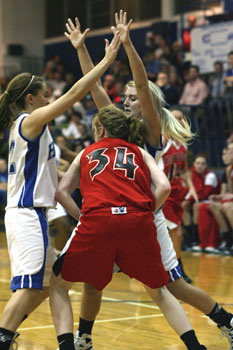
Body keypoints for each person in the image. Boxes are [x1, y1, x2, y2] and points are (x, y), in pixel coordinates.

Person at [65, 11, 233, 350]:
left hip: (144, 217)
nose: (125, 103)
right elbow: (94, 86)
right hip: (112, 214)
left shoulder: (150, 132)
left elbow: (142, 84)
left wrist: (128, 45)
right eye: (123, 98)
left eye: (130, 99)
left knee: (173, 286)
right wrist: (82, 50)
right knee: (93, 283)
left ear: (146, 104)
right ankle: (84, 336)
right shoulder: (114, 124)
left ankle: (226, 321)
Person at [0, 29, 121, 350]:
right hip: (28, 215)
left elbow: (58, 173)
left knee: (54, 285)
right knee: (28, 289)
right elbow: (73, 96)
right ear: (30, 98)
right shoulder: (30, 120)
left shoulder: (33, 131)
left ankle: (67, 344)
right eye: (44, 95)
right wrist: (106, 61)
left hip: (31, 214)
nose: (49, 99)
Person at [50, 106, 207, 350]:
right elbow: (164, 187)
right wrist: (145, 210)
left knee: (59, 285)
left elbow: (61, 193)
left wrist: (82, 216)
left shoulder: (86, 152)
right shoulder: (139, 151)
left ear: (100, 129)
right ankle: (195, 346)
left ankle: (72, 345)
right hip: (138, 222)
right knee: (160, 291)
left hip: (99, 221)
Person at [158, 108, 198, 282]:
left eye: (181, 118)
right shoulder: (162, 140)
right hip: (163, 193)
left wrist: (192, 188)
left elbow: (185, 170)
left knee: (168, 233)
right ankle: (178, 269)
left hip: (177, 193)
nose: (179, 121)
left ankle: (168, 268)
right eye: (175, 118)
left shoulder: (183, 143)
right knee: (177, 232)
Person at [182, 153, 221, 250]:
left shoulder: (210, 176)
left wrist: (189, 199)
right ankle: (189, 236)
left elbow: (204, 194)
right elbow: (188, 190)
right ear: (194, 164)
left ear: (207, 166)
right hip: (199, 199)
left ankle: (197, 238)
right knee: (183, 205)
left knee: (196, 206)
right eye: (198, 163)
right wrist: (187, 200)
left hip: (210, 199)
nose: (200, 166)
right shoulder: (191, 173)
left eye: (203, 164)